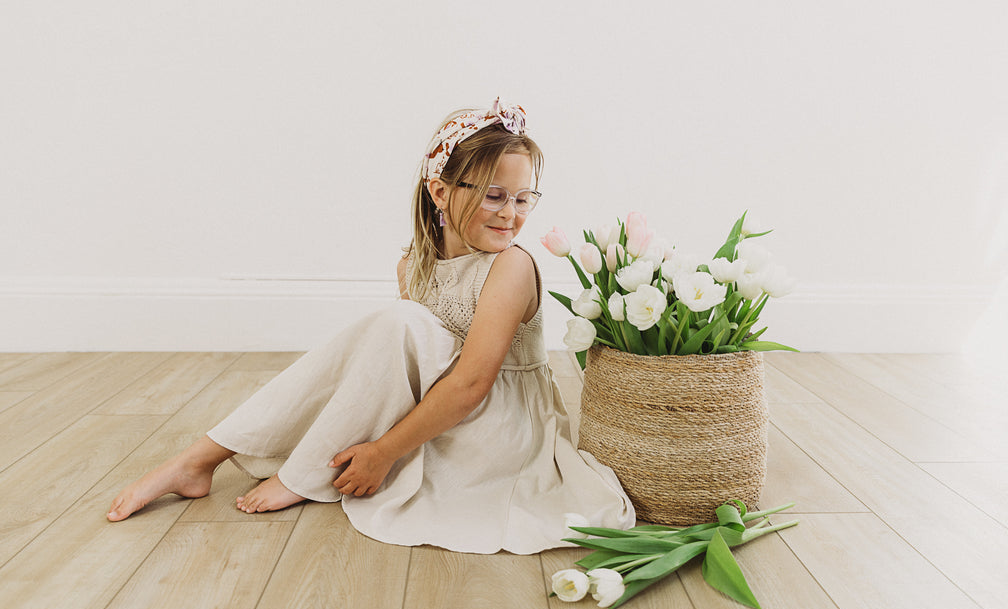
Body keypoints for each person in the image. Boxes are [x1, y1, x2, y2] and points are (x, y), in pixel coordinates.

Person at [106, 99, 635, 554]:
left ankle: (278, 469)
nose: (511, 214)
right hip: (444, 413)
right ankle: (201, 460)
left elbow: (472, 384)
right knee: (388, 331)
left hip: (499, 429)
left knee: (398, 325)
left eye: (523, 199)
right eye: (495, 195)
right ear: (440, 192)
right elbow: (391, 376)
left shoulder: (511, 266)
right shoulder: (412, 266)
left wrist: (384, 453)